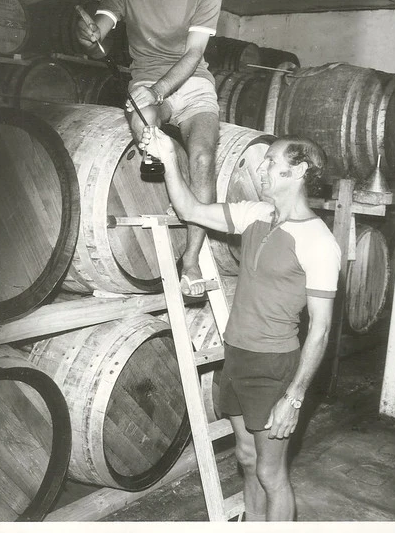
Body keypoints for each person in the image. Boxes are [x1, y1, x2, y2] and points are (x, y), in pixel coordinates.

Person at [140, 126, 341, 521]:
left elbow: (320, 329)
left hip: (273, 366)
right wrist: (166, 159)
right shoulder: (255, 214)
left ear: (298, 171)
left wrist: (295, 397)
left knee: (271, 472)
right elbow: (191, 211)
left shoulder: (319, 242)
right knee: (247, 460)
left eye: (271, 161)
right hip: (237, 356)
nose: (261, 169)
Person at [76, 0, 224, 298]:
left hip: (191, 83)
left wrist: (158, 92)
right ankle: (158, 155)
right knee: (148, 133)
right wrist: (88, 37)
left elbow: (194, 54)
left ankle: (190, 259)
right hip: (146, 79)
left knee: (204, 158)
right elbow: (96, 44)